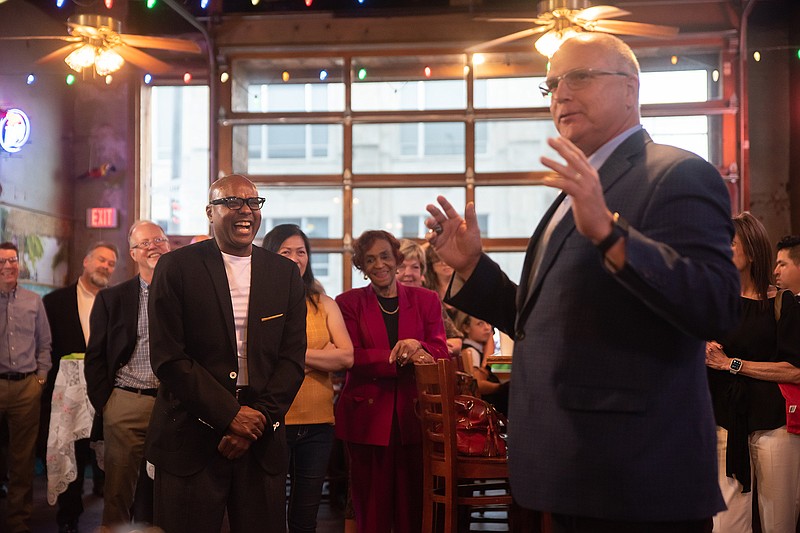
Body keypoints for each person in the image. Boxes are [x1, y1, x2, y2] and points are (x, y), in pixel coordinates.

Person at [425, 32, 740, 531]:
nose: (562, 93)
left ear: (631, 89)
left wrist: (612, 235)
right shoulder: (576, 189)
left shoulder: (676, 174)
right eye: (551, 84)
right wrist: (472, 269)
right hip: (566, 465)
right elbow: (541, 322)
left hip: (637, 474)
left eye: (579, 76)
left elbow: (716, 307)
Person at [145, 174, 306, 533]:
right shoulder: (176, 267)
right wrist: (229, 416)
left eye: (253, 203)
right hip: (190, 436)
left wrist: (255, 420)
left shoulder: (283, 274)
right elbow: (169, 357)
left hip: (261, 437)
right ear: (210, 211)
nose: (245, 210)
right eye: (232, 202)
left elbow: (292, 359)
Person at [335, 230, 448, 533]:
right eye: (369, 259)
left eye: (385, 256)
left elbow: (442, 351)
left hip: (416, 416)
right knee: (370, 509)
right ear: (361, 265)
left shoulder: (426, 300)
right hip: (366, 417)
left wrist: (420, 347)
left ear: (397, 258)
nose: (379, 264)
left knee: (413, 508)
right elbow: (352, 357)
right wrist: (400, 356)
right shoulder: (348, 302)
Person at [705, 212, 800, 533]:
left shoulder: (782, 303)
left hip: (774, 424)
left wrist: (732, 364)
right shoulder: (716, 300)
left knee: (779, 522)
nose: (722, 249)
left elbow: (794, 370)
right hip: (724, 423)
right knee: (726, 525)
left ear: (752, 251)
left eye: (730, 243)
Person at [261, 224, 353, 533]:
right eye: (285, 251)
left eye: (301, 251)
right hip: (274, 421)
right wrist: (319, 355)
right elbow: (260, 358)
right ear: (270, 256)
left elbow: (346, 357)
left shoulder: (323, 304)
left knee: (305, 516)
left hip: (317, 424)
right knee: (268, 512)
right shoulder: (260, 305)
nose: (295, 258)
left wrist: (295, 358)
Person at [84, 221, 171, 527]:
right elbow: (95, 357)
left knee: (170, 491)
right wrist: (107, 404)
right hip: (126, 403)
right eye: (144, 243)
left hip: (173, 405)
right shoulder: (113, 298)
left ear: (169, 246)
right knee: (119, 493)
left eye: (158, 240)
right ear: (133, 253)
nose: (153, 247)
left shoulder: (185, 296)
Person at [43, 241, 118, 533]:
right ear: (86, 262)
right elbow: (47, 346)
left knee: (107, 447)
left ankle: (109, 513)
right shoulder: (55, 301)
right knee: (71, 450)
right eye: (101, 260)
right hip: (68, 389)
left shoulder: (115, 299)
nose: (106, 267)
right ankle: (69, 515)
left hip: (105, 387)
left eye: (111, 263)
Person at [0, 242, 52, 533]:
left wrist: (40, 379)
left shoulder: (34, 301)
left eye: (13, 260)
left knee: (22, 461)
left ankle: (17, 521)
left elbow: (45, 344)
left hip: (26, 389)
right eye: (2, 261)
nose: (8, 266)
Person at [398, 239, 462, 357]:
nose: (408, 273)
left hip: (426, 369)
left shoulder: (429, 300)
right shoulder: (378, 301)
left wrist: (438, 347)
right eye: (401, 267)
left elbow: (455, 340)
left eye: (415, 267)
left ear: (422, 273)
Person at [455, 313, 508, 417]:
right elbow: (478, 385)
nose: (487, 328)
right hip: (484, 410)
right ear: (466, 328)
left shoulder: (477, 349)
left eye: (488, 323)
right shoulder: (471, 351)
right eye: (480, 324)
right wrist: (501, 388)